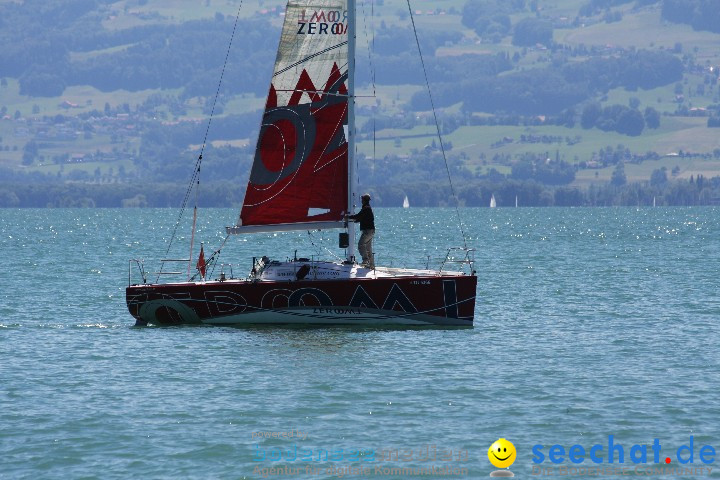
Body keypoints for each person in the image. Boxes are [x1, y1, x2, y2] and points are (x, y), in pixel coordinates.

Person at [348, 193, 375, 267]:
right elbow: (361, 218)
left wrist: (349, 217)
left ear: (363, 200)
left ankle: (365, 260)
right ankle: (371, 265)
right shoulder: (368, 208)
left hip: (367, 231)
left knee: (361, 245)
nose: (361, 200)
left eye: (362, 199)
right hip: (371, 231)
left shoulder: (366, 208)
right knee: (368, 248)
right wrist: (354, 220)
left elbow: (358, 216)